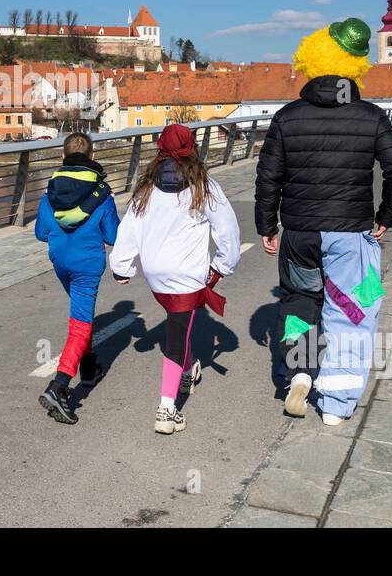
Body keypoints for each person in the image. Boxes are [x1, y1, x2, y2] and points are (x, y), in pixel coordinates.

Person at [256, 18, 392, 425]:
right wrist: (387, 217)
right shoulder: (371, 117)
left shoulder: (287, 117)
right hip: (352, 234)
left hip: (299, 233)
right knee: (353, 311)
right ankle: (337, 406)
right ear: (355, 67)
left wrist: (267, 227)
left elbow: (268, 176)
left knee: (299, 303)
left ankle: (300, 372)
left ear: (313, 61)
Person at [110, 123, 240, 435]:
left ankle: (188, 368)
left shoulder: (146, 185)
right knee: (176, 335)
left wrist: (121, 266)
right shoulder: (204, 185)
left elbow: (130, 227)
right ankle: (167, 409)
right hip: (187, 275)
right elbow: (228, 229)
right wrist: (223, 265)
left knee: (177, 326)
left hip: (156, 274)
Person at [34, 132, 120, 424]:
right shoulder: (102, 194)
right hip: (87, 264)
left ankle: (90, 365)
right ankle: (59, 386)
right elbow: (113, 236)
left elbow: (41, 233)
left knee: (82, 314)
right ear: (92, 156)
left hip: (60, 261)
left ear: (63, 156)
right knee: (80, 325)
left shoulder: (50, 192)